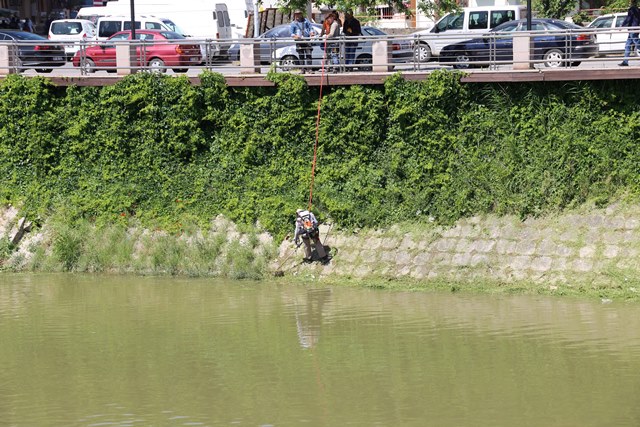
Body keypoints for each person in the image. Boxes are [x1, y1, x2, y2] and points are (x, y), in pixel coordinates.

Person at [290, 9, 316, 74]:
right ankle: (302, 70)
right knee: (301, 55)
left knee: (309, 55)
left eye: (299, 14)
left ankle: (309, 69)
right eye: (296, 14)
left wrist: (312, 33)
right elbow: (292, 34)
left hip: (307, 41)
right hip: (299, 42)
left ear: (301, 14)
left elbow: (311, 28)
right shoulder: (293, 23)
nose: (297, 15)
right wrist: (296, 36)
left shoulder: (306, 21)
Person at [619, 0, 640, 66]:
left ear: (632, 3)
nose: (629, 3)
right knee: (627, 45)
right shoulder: (638, 10)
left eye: (630, 2)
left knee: (637, 43)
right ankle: (625, 61)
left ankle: (625, 61)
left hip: (632, 29)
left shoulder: (632, 9)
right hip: (635, 28)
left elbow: (628, 18)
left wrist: (622, 25)